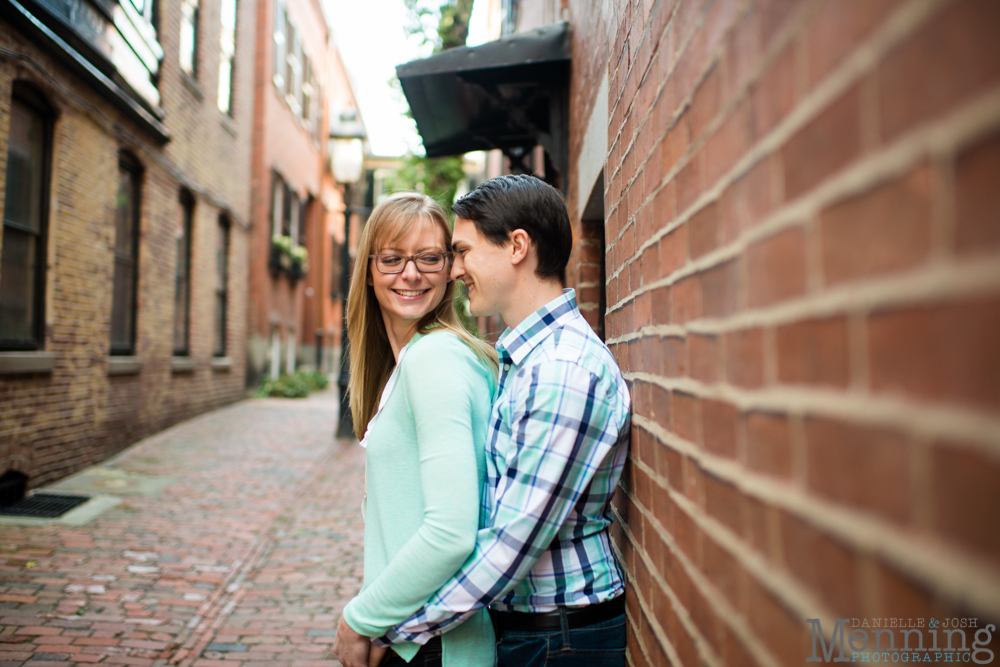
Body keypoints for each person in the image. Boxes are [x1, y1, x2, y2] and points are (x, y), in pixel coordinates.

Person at [376, 174, 632, 667]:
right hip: (539, 630)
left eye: (464, 251)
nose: (455, 272)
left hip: (561, 639)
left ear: (517, 246)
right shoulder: (528, 360)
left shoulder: (560, 370)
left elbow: (513, 542)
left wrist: (395, 629)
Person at [332, 192, 498, 667]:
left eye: (429, 258)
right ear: (367, 269)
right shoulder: (418, 360)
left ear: (449, 269)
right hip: (412, 633)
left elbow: (450, 531)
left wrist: (358, 618)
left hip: (436, 645)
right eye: (392, 259)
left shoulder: (435, 357)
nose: (410, 274)